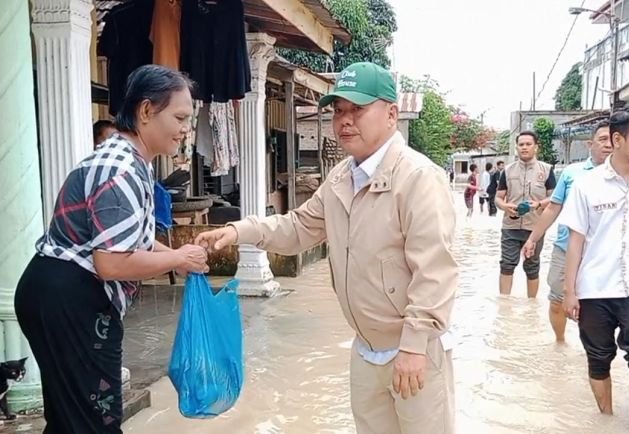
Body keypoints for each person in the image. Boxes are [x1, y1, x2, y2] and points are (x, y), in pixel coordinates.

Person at [195, 62, 458, 434]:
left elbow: (435, 271)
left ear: (392, 114)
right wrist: (241, 231)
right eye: (339, 111)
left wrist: (415, 347)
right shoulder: (340, 179)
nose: (345, 121)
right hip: (366, 351)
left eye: (358, 110)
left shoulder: (418, 178)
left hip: (414, 352)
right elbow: (298, 227)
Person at [15, 65, 209, 433]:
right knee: (94, 423)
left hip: (58, 294)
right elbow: (112, 263)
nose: (186, 129)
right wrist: (177, 258)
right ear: (147, 111)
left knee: (70, 420)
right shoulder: (119, 169)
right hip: (71, 298)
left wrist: (174, 258)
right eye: (180, 117)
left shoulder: (126, 161)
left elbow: (124, 238)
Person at [560, 105, 629, 430]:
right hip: (595, 289)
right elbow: (575, 242)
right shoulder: (587, 185)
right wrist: (569, 291)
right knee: (598, 357)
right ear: (618, 139)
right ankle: (604, 420)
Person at [520, 120, 612, 343]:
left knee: (597, 307)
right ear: (590, 144)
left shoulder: (627, 176)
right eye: (602, 140)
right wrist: (533, 238)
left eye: (613, 140)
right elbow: (554, 207)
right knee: (557, 300)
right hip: (565, 248)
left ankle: (592, 352)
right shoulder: (573, 173)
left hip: (603, 252)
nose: (608, 145)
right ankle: (560, 342)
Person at [495, 131, 556, 297]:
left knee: (532, 266)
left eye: (528, 144)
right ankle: (504, 304)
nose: (524, 147)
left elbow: (554, 198)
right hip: (510, 226)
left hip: (535, 227)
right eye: (521, 144)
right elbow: (498, 198)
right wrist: (505, 206)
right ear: (517, 147)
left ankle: (532, 305)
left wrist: (538, 204)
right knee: (506, 265)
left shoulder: (547, 170)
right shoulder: (507, 171)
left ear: (536, 147)